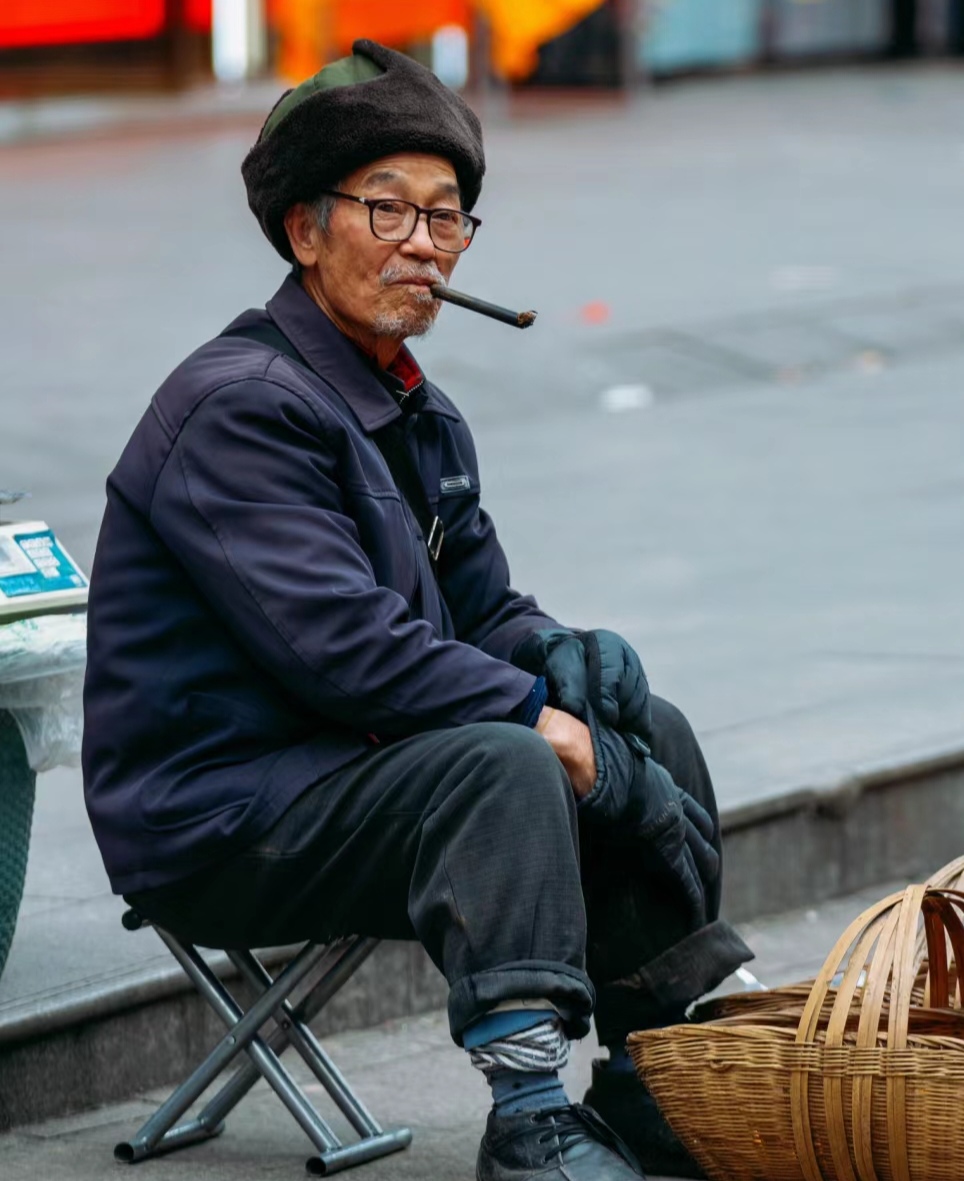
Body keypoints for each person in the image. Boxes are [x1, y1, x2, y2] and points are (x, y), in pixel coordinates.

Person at [82, 40, 752, 1181]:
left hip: (345, 766)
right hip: (218, 809)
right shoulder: (239, 407)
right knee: (506, 760)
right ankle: (529, 1120)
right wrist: (541, 719)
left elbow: (482, 609)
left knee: (649, 724)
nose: (423, 244)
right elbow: (345, 652)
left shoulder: (418, 411)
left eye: (445, 218)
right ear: (305, 231)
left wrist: (562, 657)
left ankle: (651, 1075)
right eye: (386, 209)